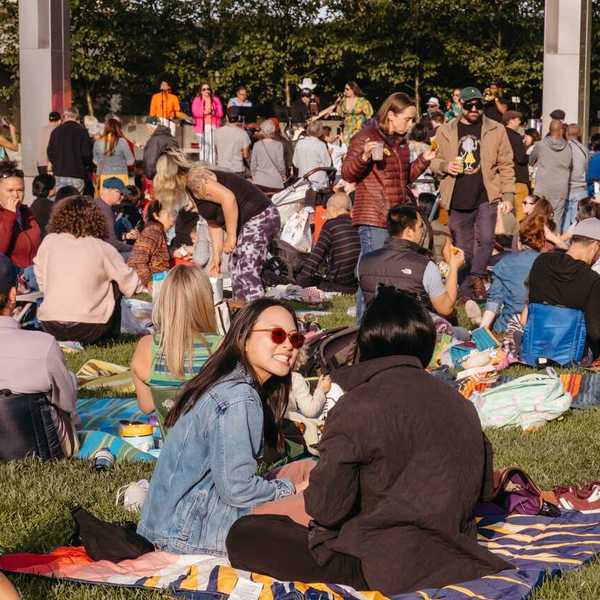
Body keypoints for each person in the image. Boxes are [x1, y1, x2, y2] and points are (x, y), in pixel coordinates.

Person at [226, 288, 509, 595]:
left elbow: (327, 508)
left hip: (382, 565)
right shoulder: (461, 404)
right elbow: (482, 489)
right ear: (427, 345)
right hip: (456, 555)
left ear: (364, 344)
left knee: (243, 534)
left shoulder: (357, 406)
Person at [138, 298, 312, 555]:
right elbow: (238, 489)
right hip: (184, 531)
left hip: (173, 519)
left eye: (295, 339)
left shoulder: (232, 381)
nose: (288, 345)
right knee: (316, 501)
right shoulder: (239, 396)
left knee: (309, 469)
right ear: (243, 338)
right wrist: (291, 491)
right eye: (277, 334)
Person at [343, 92, 433, 317]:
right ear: (391, 115)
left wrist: (424, 160)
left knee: (388, 276)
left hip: (395, 217)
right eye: (408, 118)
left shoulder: (400, 143)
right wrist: (364, 157)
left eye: (414, 119)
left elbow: (404, 178)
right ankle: (362, 331)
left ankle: (382, 325)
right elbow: (347, 173)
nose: (411, 124)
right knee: (371, 277)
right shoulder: (366, 136)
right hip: (373, 216)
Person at [154, 149, 280, 301]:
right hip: (249, 222)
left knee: (246, 270)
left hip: (260, 216)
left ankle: (260, 314)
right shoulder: (191, 188)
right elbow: (213, 223)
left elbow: (229, 198)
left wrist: (232, 237)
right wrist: (216, 256)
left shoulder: (196, 180)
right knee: (235, 270)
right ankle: (241, 313)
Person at [430, 86, 515, 300]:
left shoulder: (496, 129)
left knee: (486, 240)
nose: (475, 109)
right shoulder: (445, 130)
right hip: (457, 195)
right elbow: (432, 161)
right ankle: (465, 291)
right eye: (470, 105)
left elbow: (506, 164)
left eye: (479, 105)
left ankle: (477, 276)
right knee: (463, 248)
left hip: (487, 194)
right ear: (461, 105)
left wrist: (508, 195)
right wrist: (445, 166)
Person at [0, 253, 80, 456]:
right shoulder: (42, 345)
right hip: (38, 444)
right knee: (68, 382)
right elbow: (67, 404)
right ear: (12, 295)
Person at [34, 194, 141, 345]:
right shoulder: (102, 248)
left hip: (50, 324)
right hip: (89, 328)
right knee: (115, 282)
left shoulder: (49, 242)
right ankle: (110, 336)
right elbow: (130, 284)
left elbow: (41, 279)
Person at [130, 264, 220, 416]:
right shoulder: (221, 346)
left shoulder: (146, 346)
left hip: (169, 435)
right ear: (207, 302)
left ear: (164, 301)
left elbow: (146, 407)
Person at [359, 205, 464, 317]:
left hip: (374, 330)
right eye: (420, 227)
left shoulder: (364, 261)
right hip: (413, 331)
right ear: (409, 232)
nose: (423, 232)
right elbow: (445, 308)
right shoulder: (424, 265)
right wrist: (453, 268)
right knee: (460, 333)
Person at [527, 218, 600, 359]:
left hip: (535, 344)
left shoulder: (541, 262)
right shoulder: (592, 280)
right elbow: (595, 331)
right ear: (595, 246)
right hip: (571, 352)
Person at [479, 217, 545, 333]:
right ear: (542, 242)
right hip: (539, 329)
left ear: (519, 240)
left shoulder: (505, 263)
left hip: (506, 327)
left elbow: (494, 300)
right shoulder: (550, 264)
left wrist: (482, 329)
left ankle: (478, 320)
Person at [296, 193, 361, 293]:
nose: (326, 213)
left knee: (311, 279)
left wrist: (301, 280)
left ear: (333, 208)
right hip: (356, 283)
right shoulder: (358, 225)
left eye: (327, 209)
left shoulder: (331, 225)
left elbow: (316, 257)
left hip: (337, 284)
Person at [529, 119, 572, 233]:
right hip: (560, 188)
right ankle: (553, 247)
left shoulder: (540, 145)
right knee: (556, 221)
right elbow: (570, 165)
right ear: (561, 130)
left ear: (549, 130)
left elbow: (531, 160)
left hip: (542, 188)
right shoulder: (568, 147)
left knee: (539, 218)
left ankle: (538, 245)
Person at [0, 162, 41, 269]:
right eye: (10, 190)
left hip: (32, 275)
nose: (16, 195)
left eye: (20, 190)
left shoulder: (26, 212)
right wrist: (9, 216)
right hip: (9, 279)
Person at [127, 201, 176, 288]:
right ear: (156, 215)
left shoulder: (158, 231)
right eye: (168, 214)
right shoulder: (153, 232)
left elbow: (157, 253)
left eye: (173, 213)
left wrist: (172, 252)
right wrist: (149, 282)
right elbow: (137, 260)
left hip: (158, 281)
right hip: (151, 285)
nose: (172, 218)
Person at [46, 107, 93, 193]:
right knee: (75, 203)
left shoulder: (56, 132)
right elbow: (87, 155)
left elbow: (50, 152)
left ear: (65, 116)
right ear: (76, 117)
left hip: (59, 172)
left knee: (60, 202)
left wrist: (56, 163)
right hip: (77, 173)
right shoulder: (83, 132)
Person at [95, 177, 137, 254]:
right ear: (108, 190)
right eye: (120, 193)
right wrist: (136, 248)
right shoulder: (104, 210)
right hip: (102, 254)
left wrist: (125, 236)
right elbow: (112, 243)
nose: (123, 197)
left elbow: (108, 237)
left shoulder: (99, 203)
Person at [93, 118, 135, 188]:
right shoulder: (122, 142)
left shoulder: (98, 142)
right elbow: (131, 161)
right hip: (121, 177)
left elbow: (95, 161)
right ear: (118, 128)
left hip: (104, 176)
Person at [563, 123, 590, 232]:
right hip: (581, 189)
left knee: (564, 222)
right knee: (577, 223)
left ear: (566, 133)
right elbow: (587, 169)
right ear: (579, 134)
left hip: (567, 188)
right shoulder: (584, 150)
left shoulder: (564, 148)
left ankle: (563, 246)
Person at [503, 110, 529, 221]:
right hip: (518, 178)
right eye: (518, 119)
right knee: (521, 213)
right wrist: (527, 149)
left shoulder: (500, 135)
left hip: (504, 178)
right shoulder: (515, 137)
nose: (519, 122)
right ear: (511, 121)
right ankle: (518, 237)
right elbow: (521, 158)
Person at [292, 121, 332, 190]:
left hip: (302, 182)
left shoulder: (299, 143)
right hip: (318, 183)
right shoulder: (321, 144)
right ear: (320, 132)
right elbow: (328, 164)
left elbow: (296, 163)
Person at [191, 83, 224, 165]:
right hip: (202, 127)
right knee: (204, 148)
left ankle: (212, 166)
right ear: (201, 91)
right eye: (204, 89)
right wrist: (204, 112)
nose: (206, 91)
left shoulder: (215, 100)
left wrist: (214, 112)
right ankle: (203, 166)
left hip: (213, 126)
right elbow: (195, 112)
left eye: (208, 89)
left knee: (212, 148)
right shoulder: (197, 99)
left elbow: (221, 113)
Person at [251, 119, 286, 192]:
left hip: (259, 181)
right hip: (275, 182)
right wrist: (283, 175)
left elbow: (253, 164)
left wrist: (254, 176)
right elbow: (280, 164)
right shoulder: (278, 145)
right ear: (273, 131)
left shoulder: (257, 145)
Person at [214, 108, 251, 176]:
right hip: (237, 169)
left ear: (226, 118)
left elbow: (216, 151)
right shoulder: (243, 133)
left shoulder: (216, 132)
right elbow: (246, 155)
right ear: (238, 118)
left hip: (221, 169)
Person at [143, 116, 178, 180]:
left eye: (148, 128)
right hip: (173, 177)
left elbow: (150, 162)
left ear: (151, 127)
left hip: (160, 179)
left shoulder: (154, 140)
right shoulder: (172, 138)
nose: (148, 131)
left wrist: (149, 176)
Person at [30, 173, 57, 238]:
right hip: (44, 239)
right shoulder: (49, 205)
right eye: (55, 186)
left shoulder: (35, 203)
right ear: (50, 191)